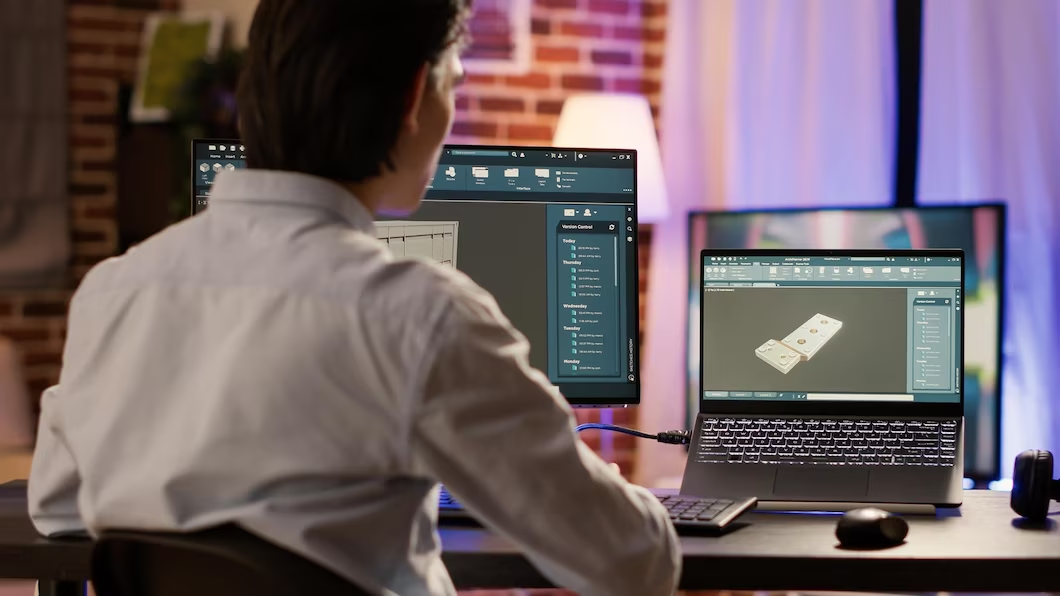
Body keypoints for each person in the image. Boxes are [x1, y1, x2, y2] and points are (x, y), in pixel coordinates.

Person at [27, 1, 680, 595]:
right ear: (414, 97)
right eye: (453, 81)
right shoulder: (423, 317)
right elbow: (633, 563)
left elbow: (56, 507)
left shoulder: (113, 292)